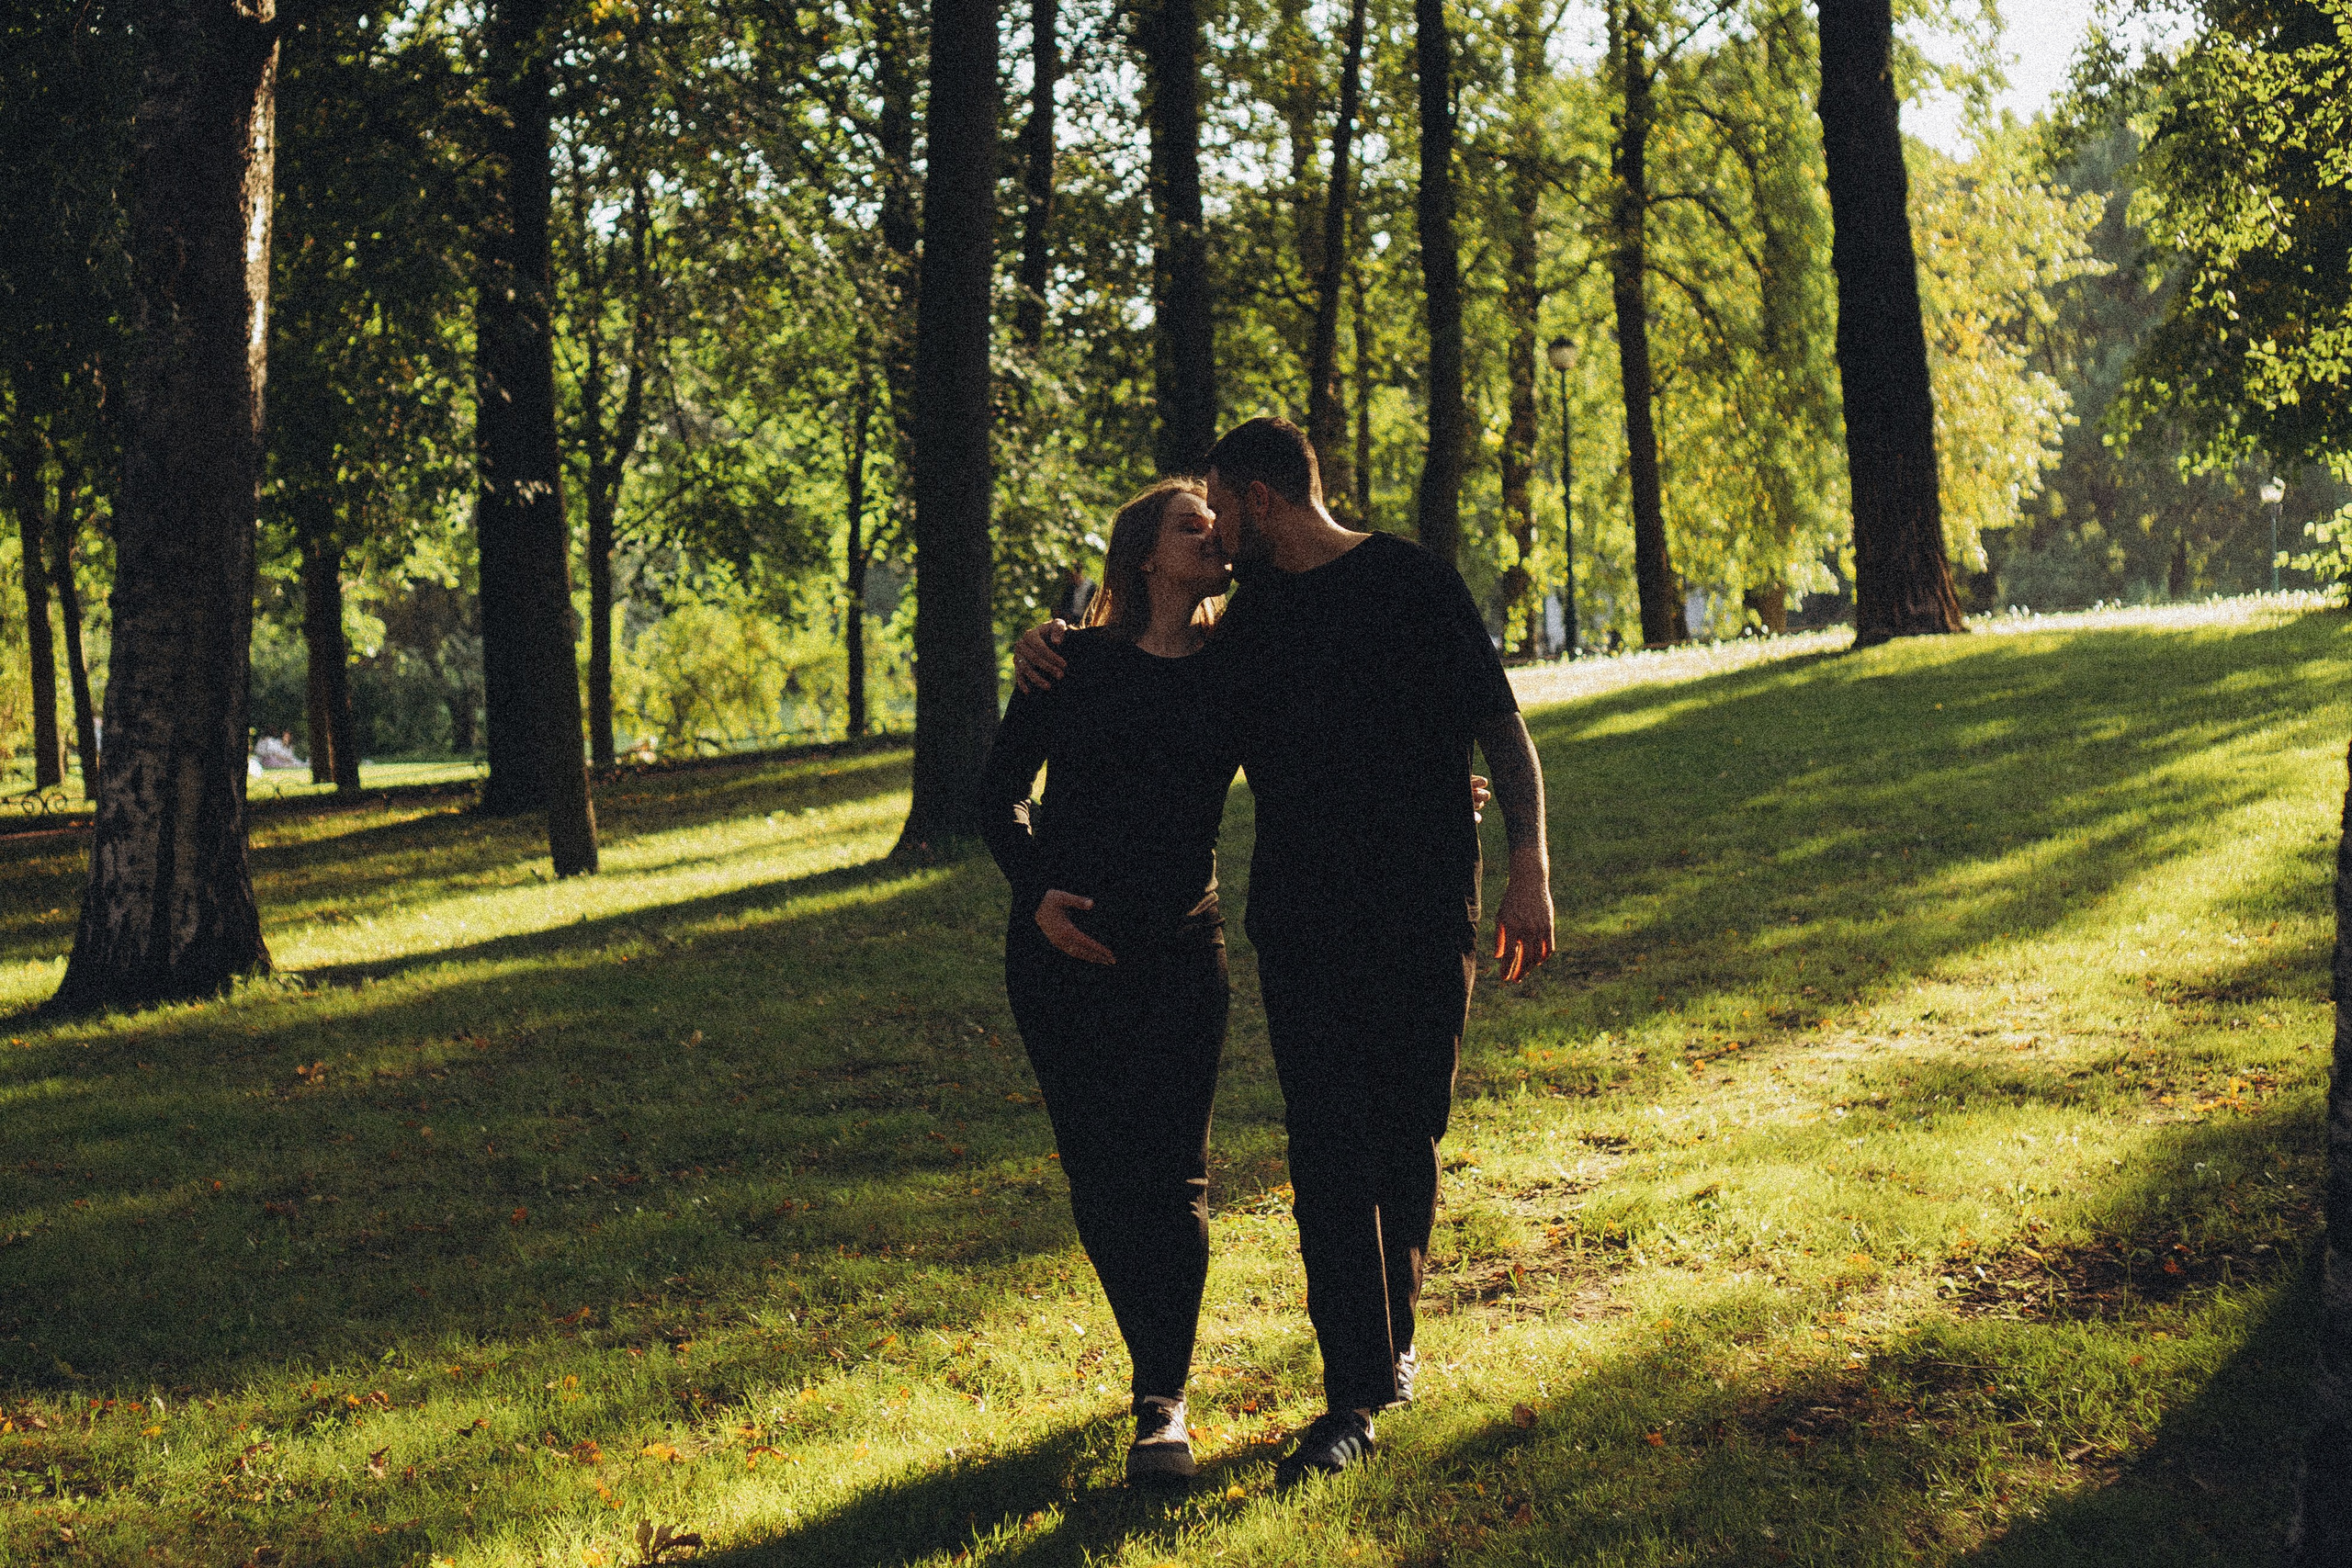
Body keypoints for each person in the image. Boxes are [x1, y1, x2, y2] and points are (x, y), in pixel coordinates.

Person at [1012, 416, 1555, 1491]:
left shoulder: (1410, 581)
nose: (1215, 529)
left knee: (1407, 1131)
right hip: (1304, 922)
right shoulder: (1247, 623)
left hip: (1425, 907)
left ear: (1258, 498)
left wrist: (1529, 863)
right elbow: (1151, 677)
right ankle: (1350, 1395)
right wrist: (1052, 639)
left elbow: (1500, 727)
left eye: (1219, 505)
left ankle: (1391, 1344)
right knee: (1329, 1154)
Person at [979, 479, 1239, 1485]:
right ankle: (1152, 1364)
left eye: (1218, 521)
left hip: (1182, 952)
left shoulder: (1235, 668)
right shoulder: (1071, 663)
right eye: (1190, 523)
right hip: (1061, 955)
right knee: (1100, 1174)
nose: (1212, 532)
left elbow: (1327, 745)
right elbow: (998, 795)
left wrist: (1431, 790)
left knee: (1176, 1178)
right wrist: (1037, 893)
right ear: (1143, 553)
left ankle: (1161, 1401)